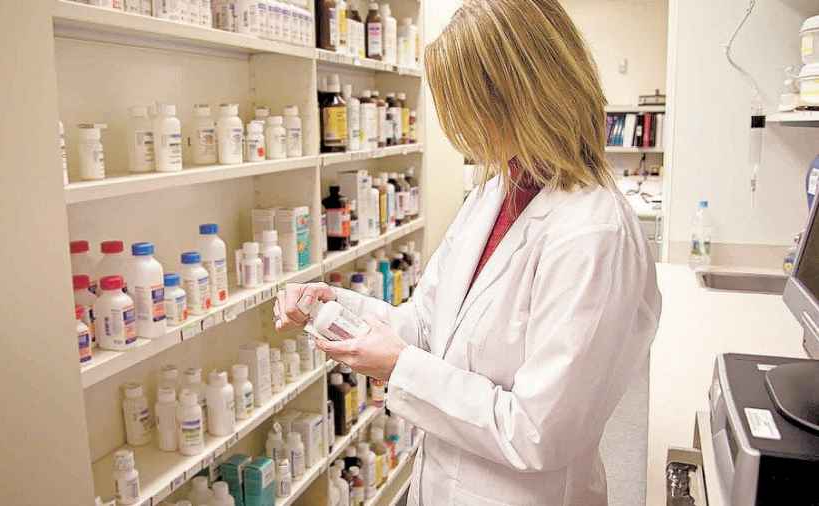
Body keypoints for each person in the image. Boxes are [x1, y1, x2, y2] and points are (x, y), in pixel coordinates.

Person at [274, 0, 661, 504]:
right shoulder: (495, 192)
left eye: (467, 105)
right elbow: (429, 325)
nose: (461, 127)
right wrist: (336, 308)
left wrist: (401, 369)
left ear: (520, 97)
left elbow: (538, 433)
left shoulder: (593, 235)